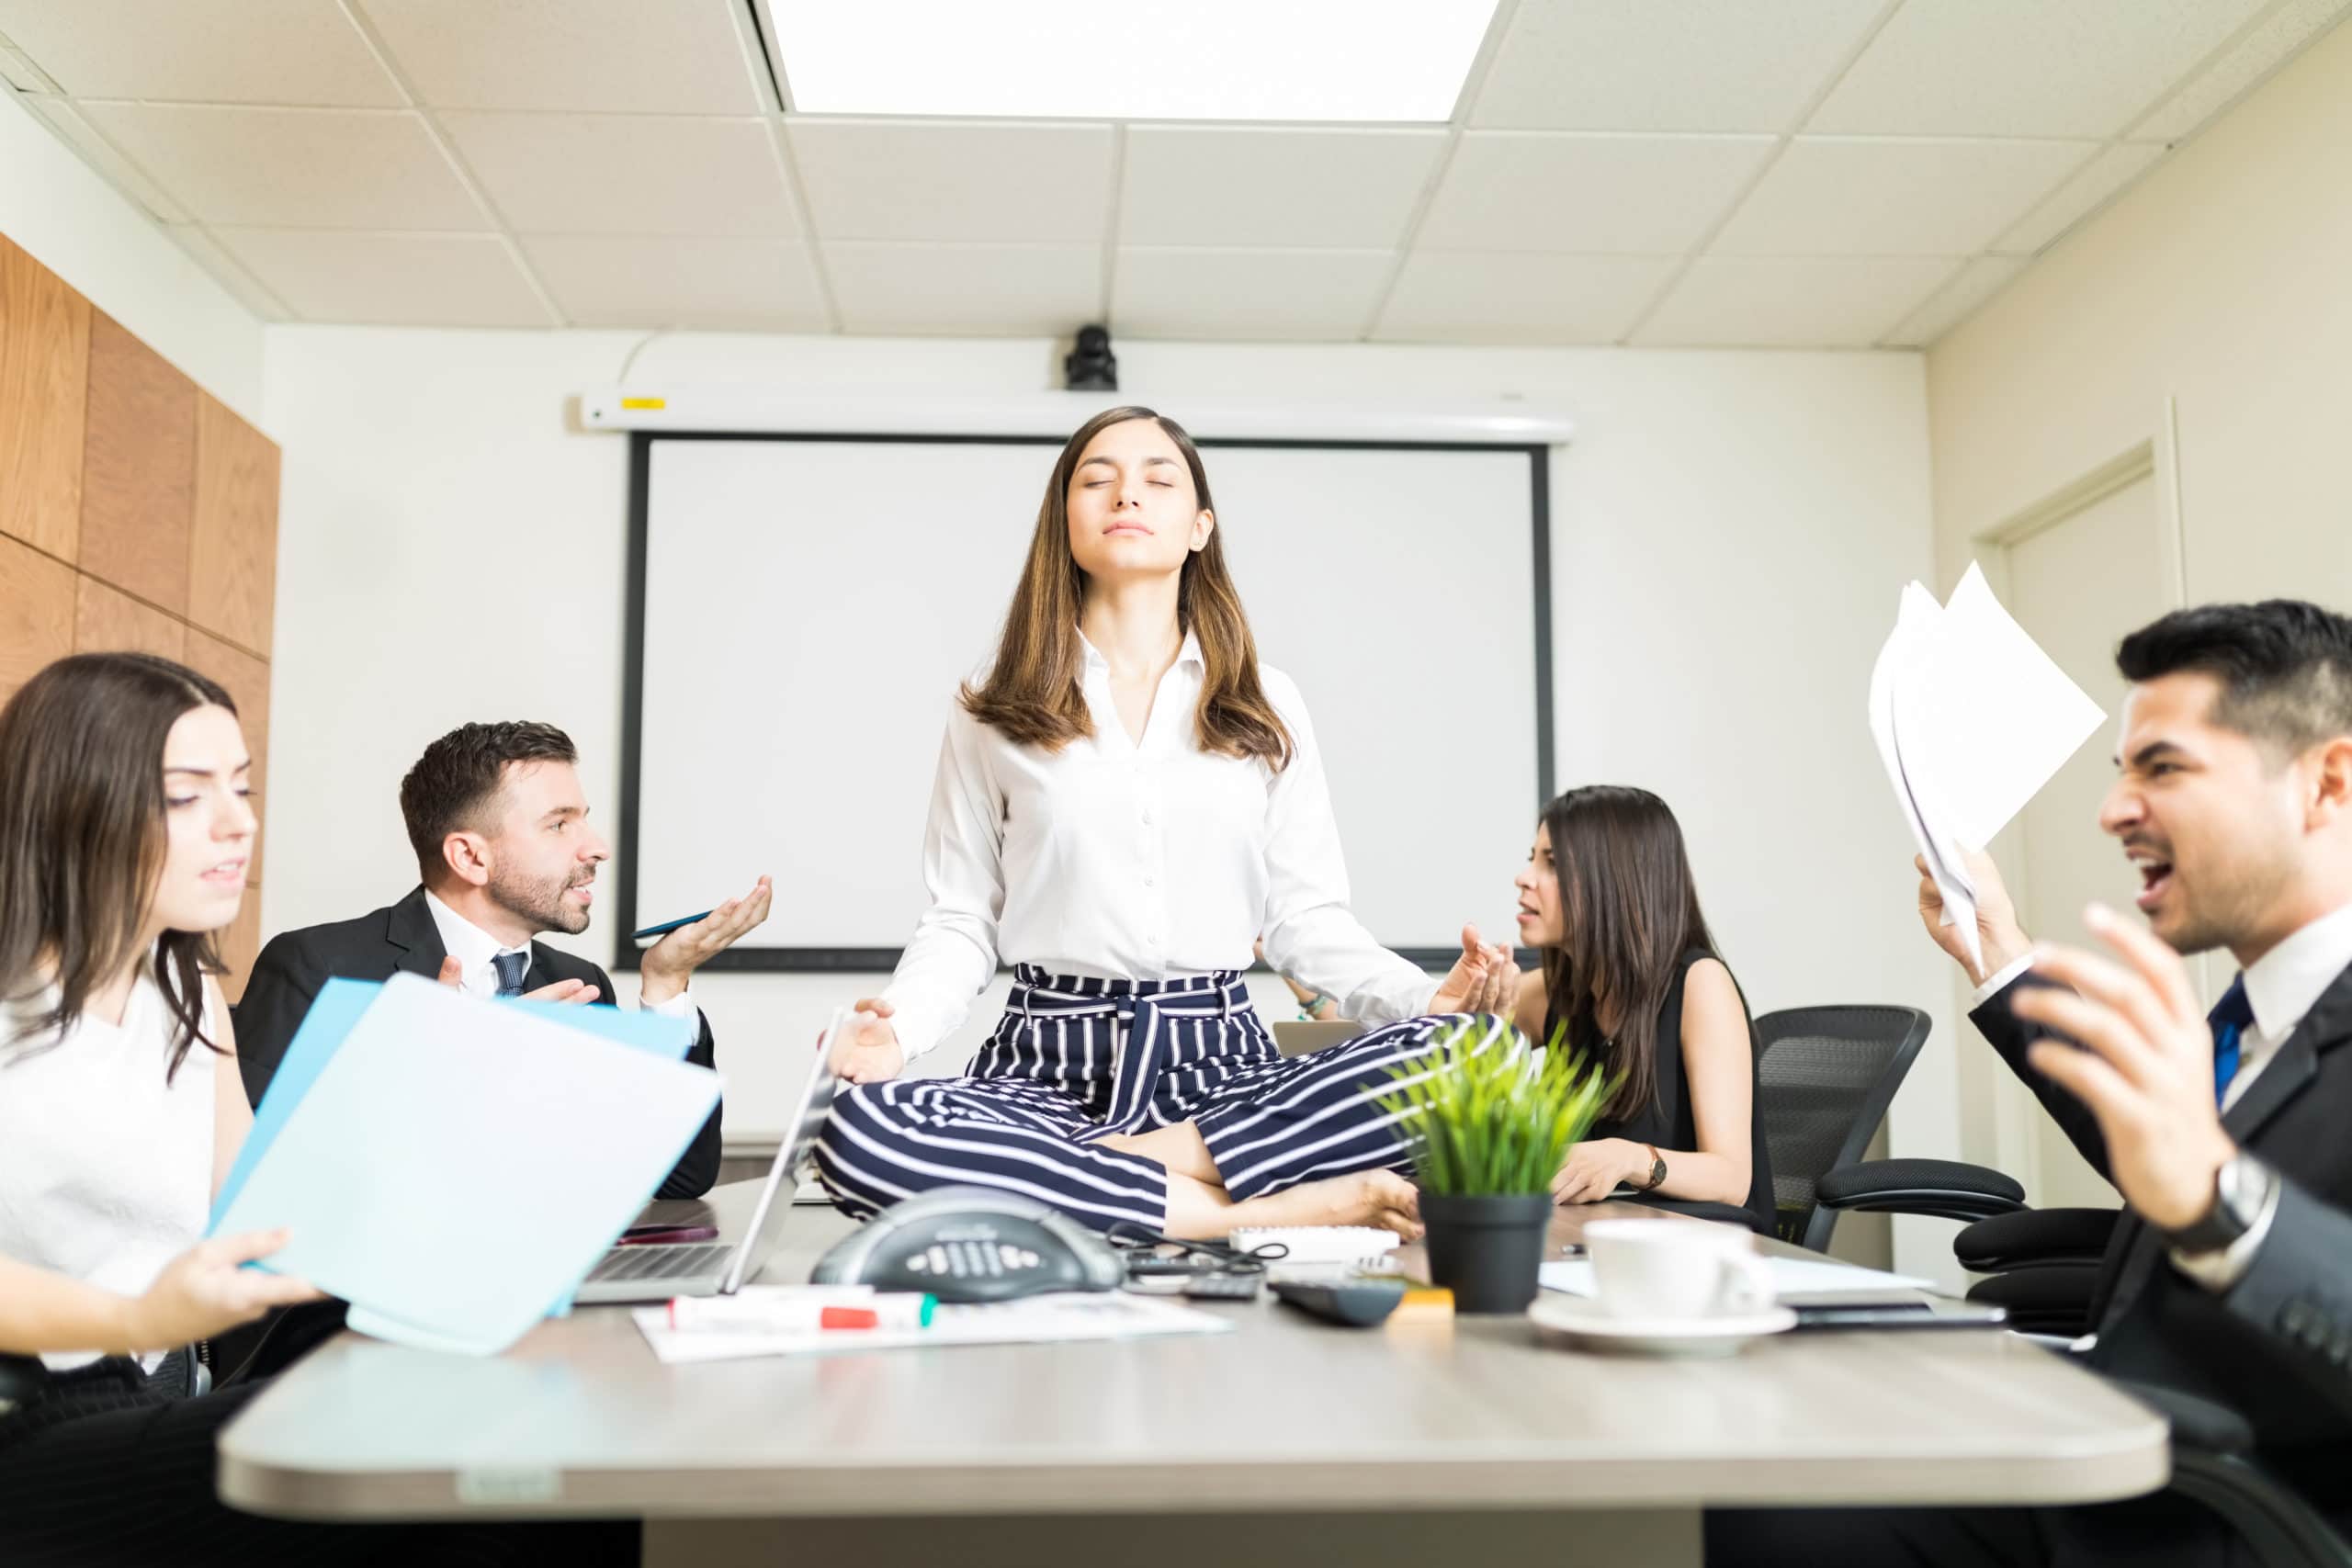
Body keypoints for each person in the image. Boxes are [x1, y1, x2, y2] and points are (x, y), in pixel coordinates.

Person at [1710, 599, 2352, 1565]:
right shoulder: (2254, 1013)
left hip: (2211, 1519)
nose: (2112, 810)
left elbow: (2209, 1184)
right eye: (2121, 771)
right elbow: (2163, 1152)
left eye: (2162, 766)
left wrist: (2223, 1204)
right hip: (2098, 1438)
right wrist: (1999, 955)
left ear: (2326, 781)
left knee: (1752, 1518)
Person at [815, 405, 1521, 1239]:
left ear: (1199, 526)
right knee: (856, 1131)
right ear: (1064, 520)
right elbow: (964, 918)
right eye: (1096, 478)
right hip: (1045, 1064)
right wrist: (893, 1036)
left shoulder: (1267, 699)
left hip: (1219, 1067)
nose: (1127, 495)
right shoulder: (991, 703)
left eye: (1159, 479)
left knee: (1484, 1055)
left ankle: (1108, 1179)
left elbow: (1302, 919)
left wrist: (1423, 999)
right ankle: (1271, 1208)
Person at [0, 652, 633, 1565]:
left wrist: (443, 1079)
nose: (237, 825)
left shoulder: (188, 999)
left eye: (243, 789)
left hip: (147, 1393)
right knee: (477, 1467)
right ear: (78, 803)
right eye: (188, 795)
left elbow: (274, 1229)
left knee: (544, 1409)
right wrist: (138, 1321)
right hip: (30, 1412)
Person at [235, 720, 769, 1201]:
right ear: (470, 856)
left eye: (584, 820)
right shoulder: (317, 968)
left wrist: (667, 986)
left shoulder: (578, 984)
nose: (597, 848)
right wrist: (457, 1070)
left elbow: (679, 1180)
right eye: (559, 825)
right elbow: (257, 1186)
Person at [1503, 785, 1774, 1234]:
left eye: (1551, 863)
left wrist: (1628, 1158)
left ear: (1613, 879)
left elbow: (1731, 1180)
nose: (1525, 877)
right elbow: (1438, 1031)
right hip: (1602, 1246)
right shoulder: (1554, 993)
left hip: (1705, 1260)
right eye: (1533, 857)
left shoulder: (1699, 984)